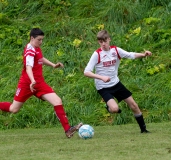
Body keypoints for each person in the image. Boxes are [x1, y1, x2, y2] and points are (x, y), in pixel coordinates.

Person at [0, 28, 82, 138]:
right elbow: (28, 68)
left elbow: (41, 58)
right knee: (13, 109)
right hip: (27, 84)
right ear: (32, 38)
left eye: (42, 39)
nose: (41, 42)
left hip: (39, 83)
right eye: (39, 39)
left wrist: (53, 65)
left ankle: (68, 130)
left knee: (57, 101)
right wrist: (32, 80)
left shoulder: (37, 48)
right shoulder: (29, 51)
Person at [84, 30, 151, 133]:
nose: (103, 44)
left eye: (105, 41)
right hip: (103, 87)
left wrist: (143, 54)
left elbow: (130, 55)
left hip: (116, 83)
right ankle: (109, 106)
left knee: (134, 105)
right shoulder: (97, 54)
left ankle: (144, 130)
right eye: (100, 42)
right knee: (115, 109)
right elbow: (86, 72)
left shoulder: (116, 50)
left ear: (109, 39)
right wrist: (101, 77)